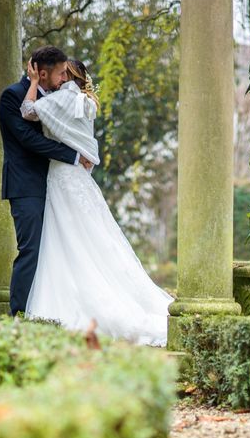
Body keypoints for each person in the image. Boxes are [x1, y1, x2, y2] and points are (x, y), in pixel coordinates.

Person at [20, 57, 173, 346]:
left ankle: (73, 304)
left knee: (66, 239)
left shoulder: (61, 99)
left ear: (67, 77)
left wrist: (34, 82)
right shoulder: (85, 102)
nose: (60, 76)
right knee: (93, 238)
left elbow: (27, 110)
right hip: (81, 177)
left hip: (62, 176)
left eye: (64, 72)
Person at [0, 46, 94, 316]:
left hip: (56, 184)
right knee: (31, 249)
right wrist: (74, 156)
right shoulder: (11, 97)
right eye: (61, 73)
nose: (65, 78)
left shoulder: (56, 97)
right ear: (41, 73)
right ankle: (17, 315)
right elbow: (29, 140)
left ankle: (54, 312)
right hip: (26, 186)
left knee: (61, 248)